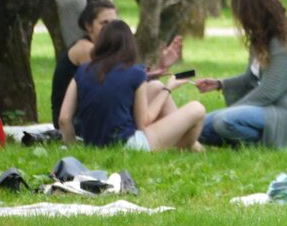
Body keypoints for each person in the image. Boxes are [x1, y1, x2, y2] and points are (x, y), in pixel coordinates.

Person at [58, 20, 205, 151]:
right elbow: (143, 123)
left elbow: (64, 119)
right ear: (130, 45)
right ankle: (183, 148)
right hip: (129, 145)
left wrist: (74, 149)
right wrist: (168, 88)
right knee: (197, 109)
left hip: (92, 143)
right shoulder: (135, 73)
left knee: (155, 87)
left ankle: (195, 147)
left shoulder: (82, 70)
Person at [195, 0, 287, 148]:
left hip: (279, 111)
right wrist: (220, 84)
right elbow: (250, 78)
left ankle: (266, 144)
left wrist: (235, 109)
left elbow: (269, 92)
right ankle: (248, 140)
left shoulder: (282, 44)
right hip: (260, 109)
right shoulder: (259, 40)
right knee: (197, 127)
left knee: (224, 120)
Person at [49, 0, 182, 127]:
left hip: (97, 113)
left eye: (113, 23)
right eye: (104, 23)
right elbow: (120, 82)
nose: (110, 29)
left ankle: (184, 133)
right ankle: (185, 133)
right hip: (77, 121)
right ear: (89, 26)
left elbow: (125, 78)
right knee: (156, 91)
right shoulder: (85, 49)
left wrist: (160, 66)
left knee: (155, 89)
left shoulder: (103, 50)